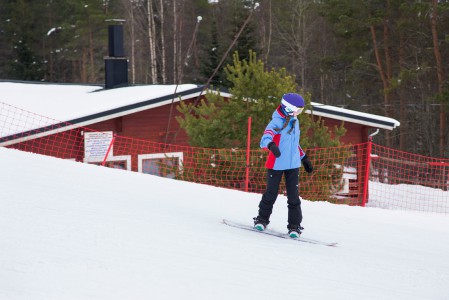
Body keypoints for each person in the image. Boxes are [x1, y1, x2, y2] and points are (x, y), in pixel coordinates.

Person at [253, 93, 313, 238]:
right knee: (271, 193)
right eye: (297, 110)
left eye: (300, 111)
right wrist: (271, 145)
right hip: (276, 163)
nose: (298, 114)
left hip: (293, 165)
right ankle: (261, 220)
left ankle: (294, 227)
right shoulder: (277, 121)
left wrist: (304, 157)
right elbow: (265, 137)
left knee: (293, 196)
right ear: (287, 108)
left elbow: (294, 144)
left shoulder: (294, 120)